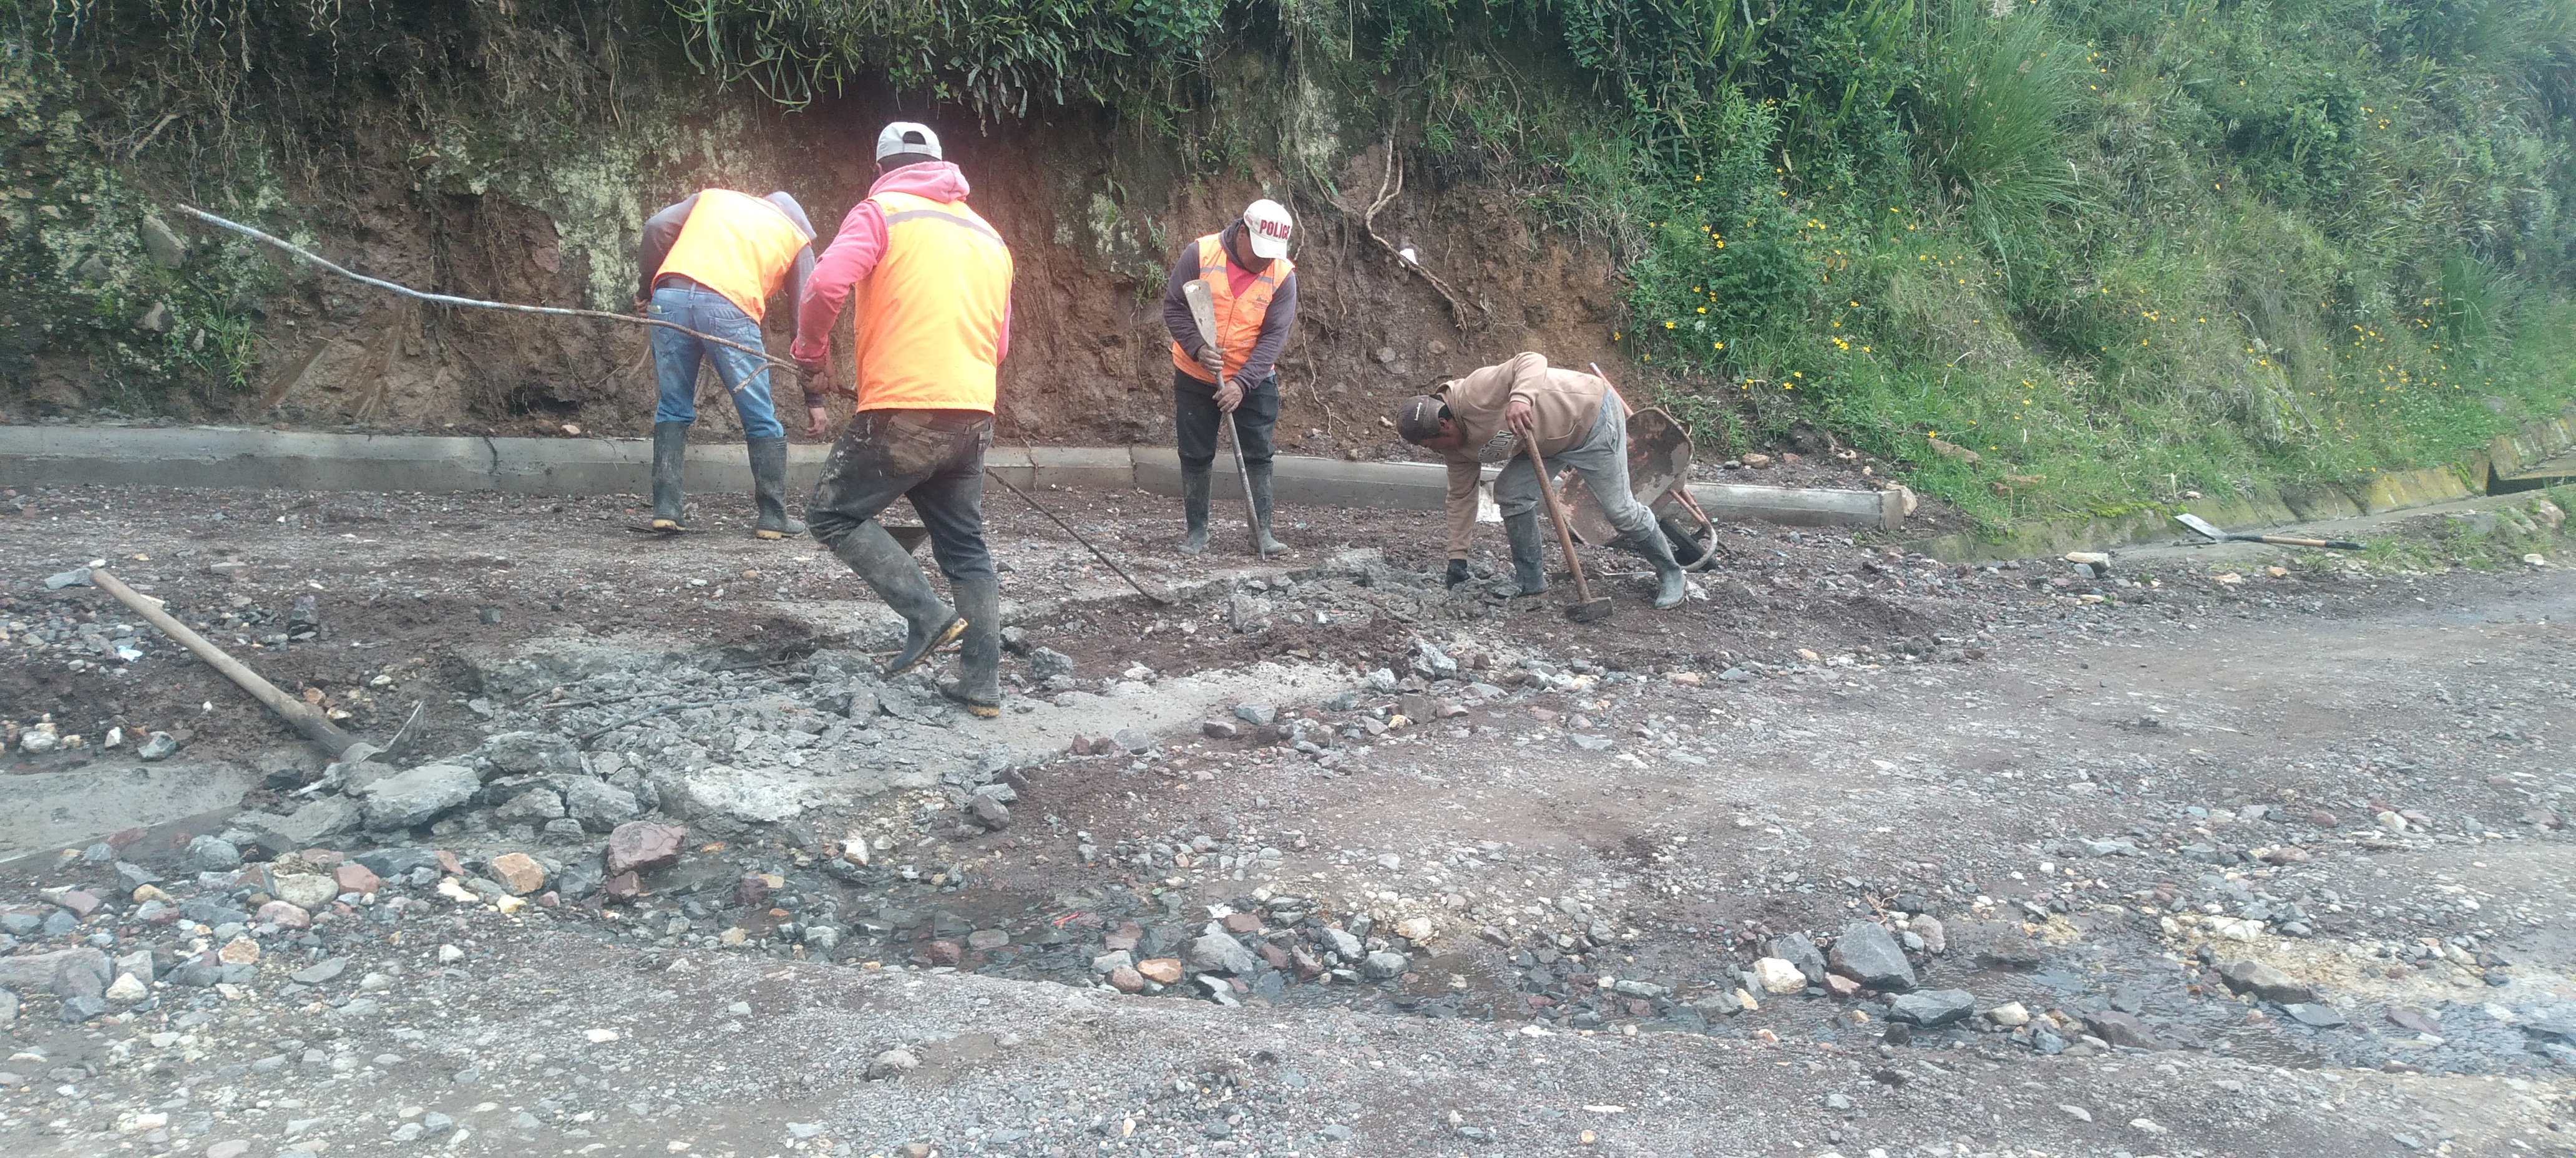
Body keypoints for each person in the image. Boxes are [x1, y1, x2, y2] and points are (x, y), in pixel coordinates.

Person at [790, 122, 1016, 718]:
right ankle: (981, 684)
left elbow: (824, 285)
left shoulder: (881, 212)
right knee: (965, 546)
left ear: (881, 168)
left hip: (905, 407)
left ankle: (926, 616)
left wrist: (811, 355)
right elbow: (998, 346)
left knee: (833, 514)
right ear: (941, 165)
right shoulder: (989, 236)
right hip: (973, 409)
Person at [1392, 352, 1687, 608]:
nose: (1435, 452)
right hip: (1545, 444)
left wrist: (1520, 398)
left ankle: (1671, 572)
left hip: (1591, 420)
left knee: (1620, 511)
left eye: (1431, 445)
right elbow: (1460, 497)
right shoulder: (1456, 451)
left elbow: (1531, 360)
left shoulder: (1475, 393)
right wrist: (1458, 557)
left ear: (1444, 424)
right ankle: (1531, 581)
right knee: (1511, 493)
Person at [635, 188, 824, 538]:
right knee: (758, 413)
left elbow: (656, 227)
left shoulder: (714, 199)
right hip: (727, 307)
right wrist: (814, 396)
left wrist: (647, 291)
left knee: (672, 406)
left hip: (669, 298)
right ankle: (773, 516)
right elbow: (805, 317)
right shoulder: (796, 237)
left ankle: (666, 509)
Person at [1159, 198, 1297, 555]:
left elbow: (1274, 337)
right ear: (1241, 234)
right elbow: (1175, 307)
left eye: (1271, 254)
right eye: (1260, 252)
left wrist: (1242, 383)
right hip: (1196, 375)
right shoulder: (1200, 255)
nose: (1265, 261)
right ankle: (1197, 533)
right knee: (1195, 453)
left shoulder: (1282, 275)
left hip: (1254, 378)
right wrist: (1196, 347)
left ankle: (1261, 533)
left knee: (1259, 454)